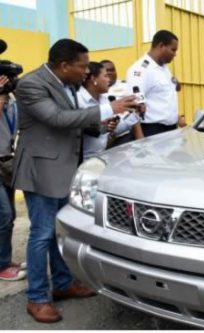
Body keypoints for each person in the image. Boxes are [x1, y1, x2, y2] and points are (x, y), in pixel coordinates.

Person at [12, 39, 137, 323]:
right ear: (65, 65)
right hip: (41, 170)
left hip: (64, 169)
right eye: (82, 66)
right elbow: (56, 118)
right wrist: (109, 109)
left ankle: (64, 284)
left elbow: (74, 120)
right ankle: (37, 297)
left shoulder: (66, 84)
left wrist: (104, 123)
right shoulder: (31, 84)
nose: (86, 72)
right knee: (42, 233)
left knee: (59, 231)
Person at [126, 30, 186, 137]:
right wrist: (141, 141)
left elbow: (165, 96)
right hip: (152, 131)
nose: (175, 54)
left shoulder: (163, 68)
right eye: (173, 50)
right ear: (161, 45)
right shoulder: (140, 70)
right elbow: (134, 109)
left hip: (171, 130)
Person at [0, 77, 26, 281]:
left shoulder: (11, 101)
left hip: (7, 163)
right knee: (5, 214)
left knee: (10, 216)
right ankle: (1, 265)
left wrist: (17, 89)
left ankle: (5, 260)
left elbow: (27, 112)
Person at [78, 62, 119, 160]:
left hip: (103, 155)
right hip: (82, 160)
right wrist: (101, 127)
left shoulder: (105, 99)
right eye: (105, 76)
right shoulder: (78, 100)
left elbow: (107, 132)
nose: (109, 80)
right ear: (93, 79)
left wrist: (133, 116)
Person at [99, 59, 144, 147]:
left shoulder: (126, 86)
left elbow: (135, 112)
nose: (109, 73)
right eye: (106, 71)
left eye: (112, 70)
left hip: (126, 134)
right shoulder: (98, 90)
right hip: (105, 137)